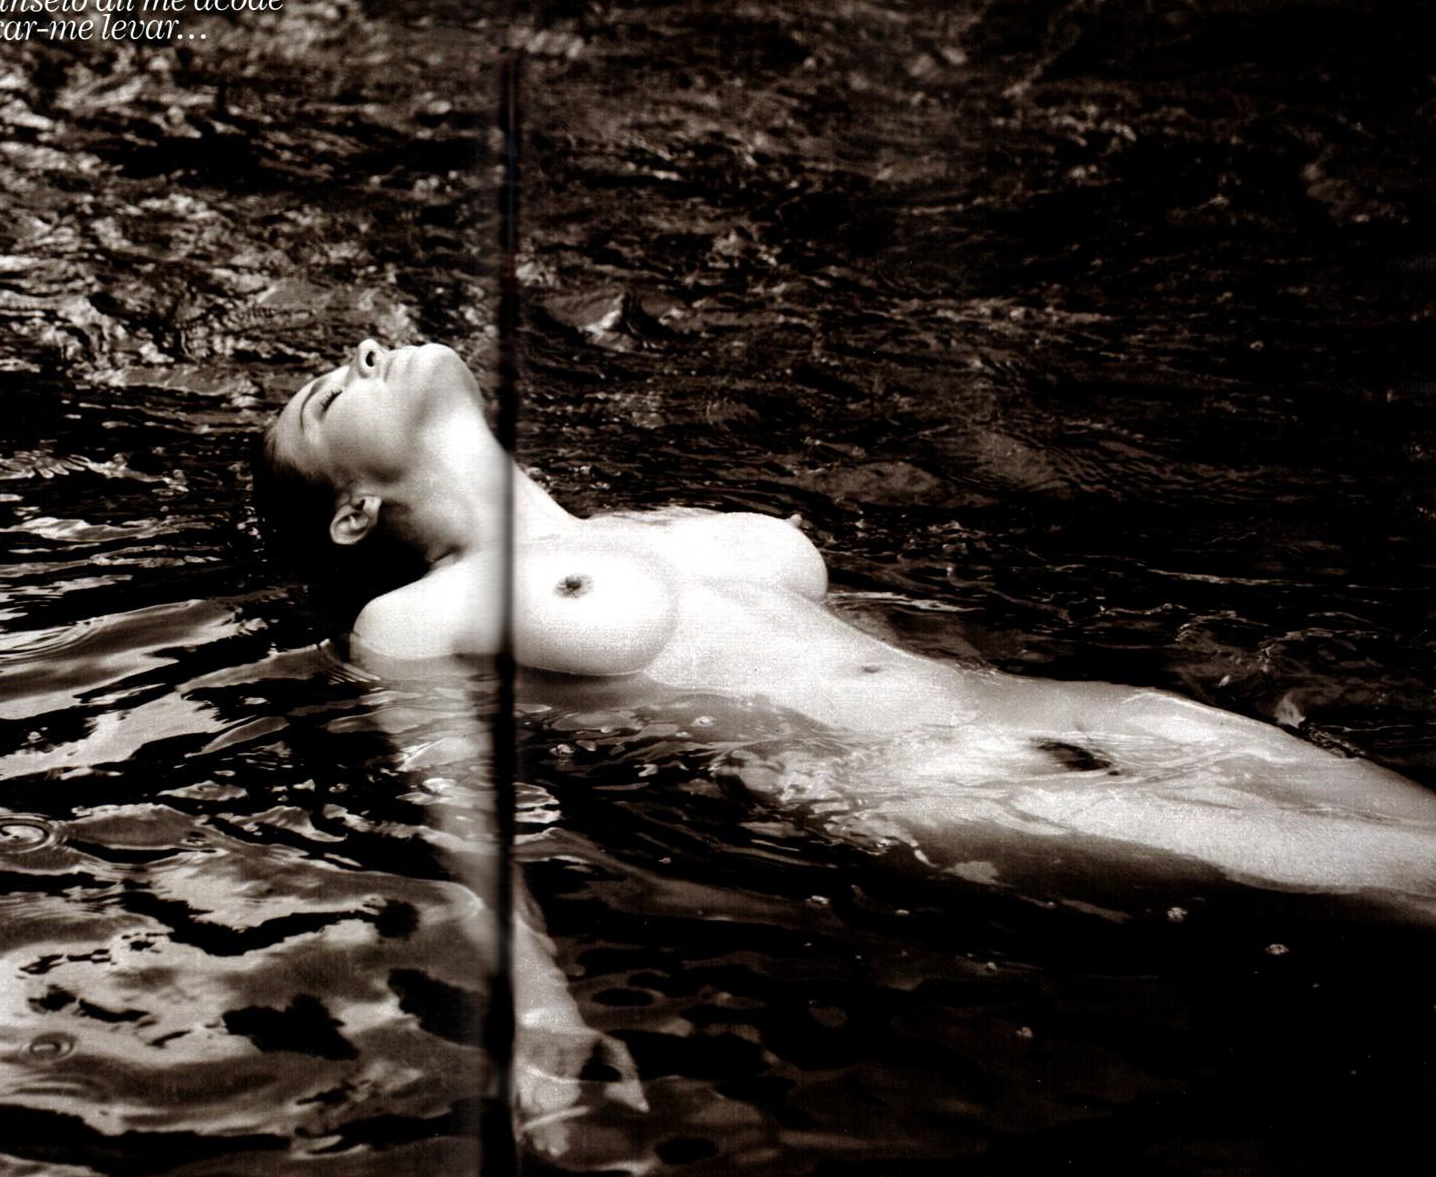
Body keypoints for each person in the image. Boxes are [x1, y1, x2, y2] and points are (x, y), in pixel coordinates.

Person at [253, 337, 1436, 1135]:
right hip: (909, 779)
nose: (361, 351)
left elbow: (865, 630)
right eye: (326, 398)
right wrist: (543, 1014)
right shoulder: (416, 618)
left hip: (1053, 706)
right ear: (353, 514)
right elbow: (463, 811)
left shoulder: (662, 522)